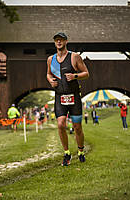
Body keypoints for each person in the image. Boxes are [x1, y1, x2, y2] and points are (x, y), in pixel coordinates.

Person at [47, 32, 89, 166]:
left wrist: (75, 76)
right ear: (54, 43)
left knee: (77, 127)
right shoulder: (50, 59)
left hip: (74, 96)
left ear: (66, 41)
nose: (58, 42)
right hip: (60, 96)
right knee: (60, 124)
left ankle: (81, 151)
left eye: (61, 40)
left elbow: (86, 74)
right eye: (56, 40)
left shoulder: (74, 57)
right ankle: (66, 153)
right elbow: (48, 74)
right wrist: (50, 81)